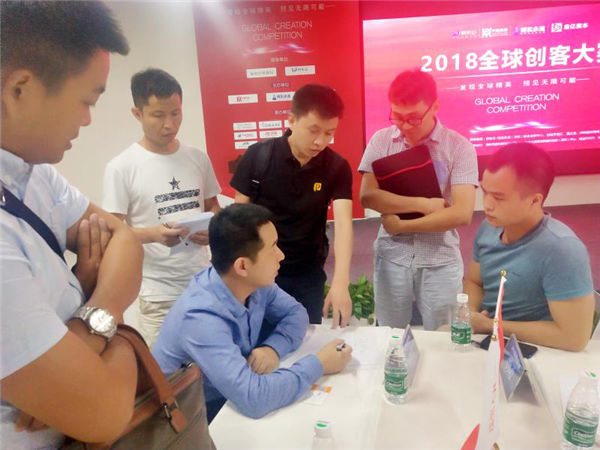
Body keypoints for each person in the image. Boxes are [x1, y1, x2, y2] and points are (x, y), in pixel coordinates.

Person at [0, 2, 144, 448]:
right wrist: (116, 326)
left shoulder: (33, 173)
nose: (87, 119)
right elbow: (103, 412)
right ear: (20, 89)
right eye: (86, 101)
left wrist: (87, 328)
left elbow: (124, 239)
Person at [152, 204, 352, 421]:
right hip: (188, 417)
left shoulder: (251, 282)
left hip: (226, 397)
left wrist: (273, 348)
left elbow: (296, 314)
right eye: (273, 248)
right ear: (243, 266)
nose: (281, 255)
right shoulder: (200, 317)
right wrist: (320, 364)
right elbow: (253, 399)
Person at [103, 68, 221, 348]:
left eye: (176, 113)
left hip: (205, 284)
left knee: (211, 364)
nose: (170, 124)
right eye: (158, 115)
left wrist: (214, 230)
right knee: (165, 370)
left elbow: (213, 206)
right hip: (158, 295)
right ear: (138, 114)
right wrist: (155, 234)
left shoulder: (197, 158)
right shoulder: (122, 167)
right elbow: (111, 232)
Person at [358, 69, 478, 330]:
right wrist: (424, 205)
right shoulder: (381, 140)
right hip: (392, 254)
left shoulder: (459, 147)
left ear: (435, 106)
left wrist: (403, 225)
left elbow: (461, 213)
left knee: (443, 334)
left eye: (413, 118)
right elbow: (367, 196)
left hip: (440, 257)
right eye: (397, 117)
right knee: (389, 333)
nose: (405, 126)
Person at [231, 84, 354, 328]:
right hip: (261, 273)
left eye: (329, 133)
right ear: (291, 120)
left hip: (308, 274)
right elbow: (237, 220)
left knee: (306, 337)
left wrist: (341, 281)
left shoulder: (336, 167)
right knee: (257, 340)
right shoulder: (258, 157)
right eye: (313, 130)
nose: (320, 141)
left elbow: (343, 224)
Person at [464, 143, 594, 351]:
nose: (487, 205)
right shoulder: (489, 227)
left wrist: (491, 325)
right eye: (485, 192)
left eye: (498, 197)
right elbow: (474, 281)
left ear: (534, 200)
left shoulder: (562, 249)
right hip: (487, 338)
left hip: (535, 350)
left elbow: (574, 338)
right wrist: (470, 313)